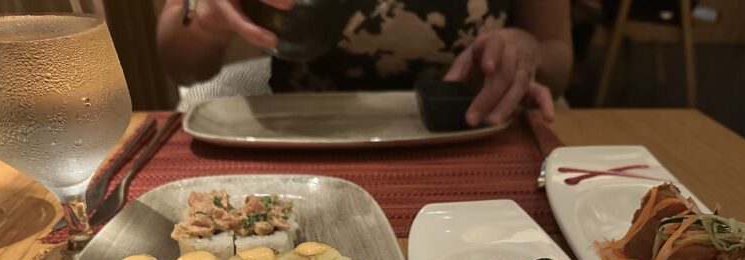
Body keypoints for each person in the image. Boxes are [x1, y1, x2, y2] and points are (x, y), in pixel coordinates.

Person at [157, 0, 572, 125]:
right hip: (301, 138)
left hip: (474, 130)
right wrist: (204, 17)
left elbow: (557, 58)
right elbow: (182, 64)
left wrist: (526, 50)